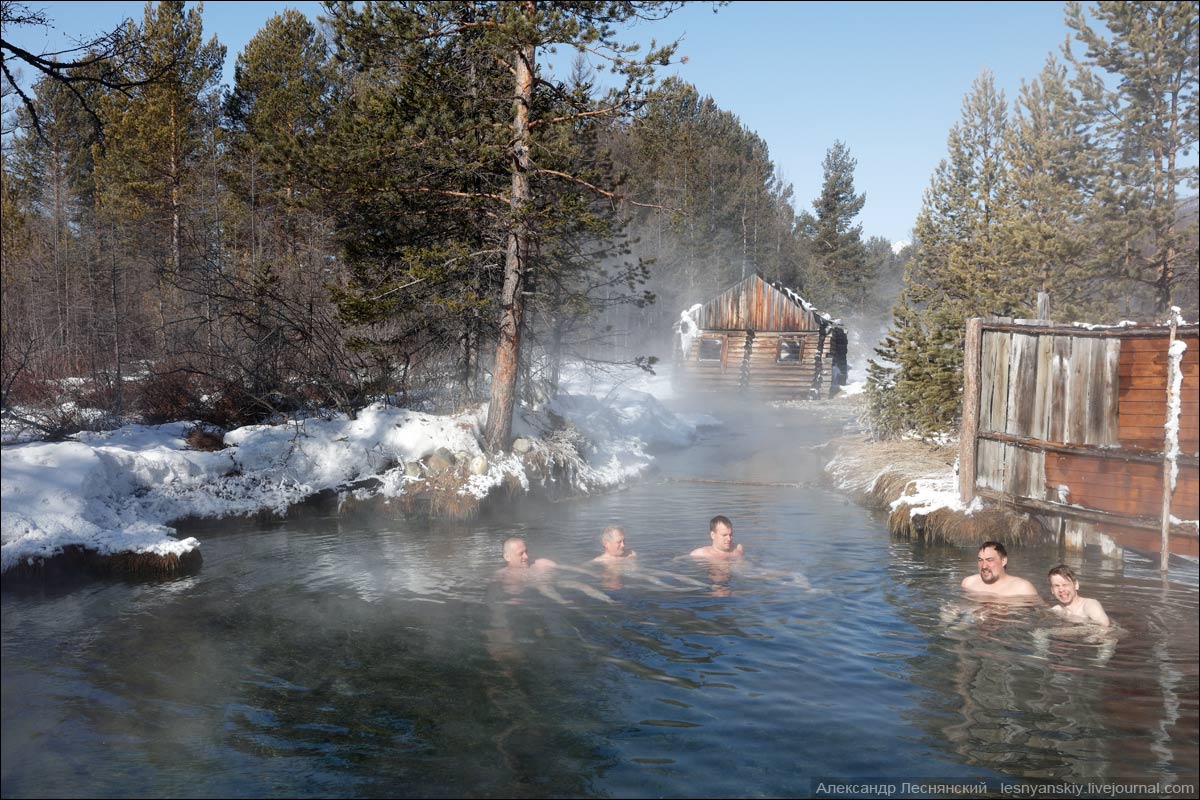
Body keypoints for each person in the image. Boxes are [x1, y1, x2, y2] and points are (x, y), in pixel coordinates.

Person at [960, 540, 1038, 598]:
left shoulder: (1022, 589)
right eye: (980, 560)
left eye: (990, 560)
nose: (984, 566)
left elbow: (1040, 613)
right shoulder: (969, 583)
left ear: (1003, 561)